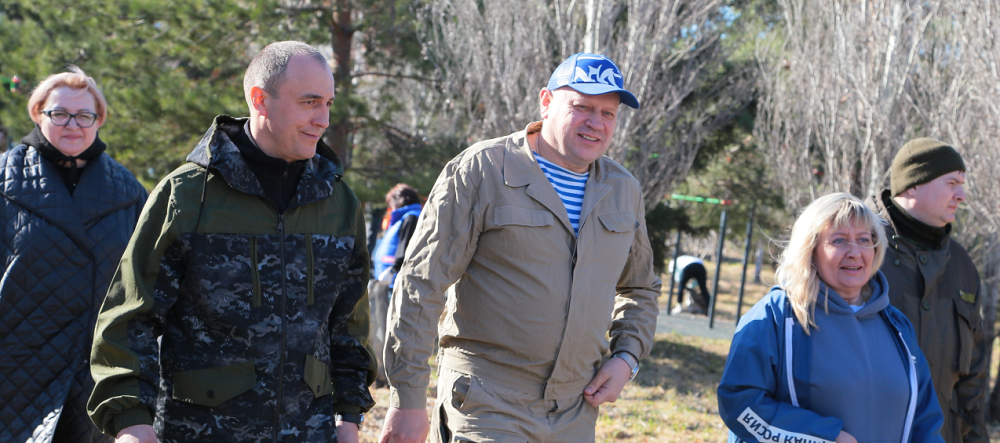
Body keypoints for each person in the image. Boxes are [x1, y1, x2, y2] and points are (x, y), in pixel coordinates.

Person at [87, 41, 376, 443]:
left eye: (327, 103)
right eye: (310, 102)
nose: (323, 119)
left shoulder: (337, 201)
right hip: (200, 432)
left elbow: (348, 324)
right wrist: (131, 423)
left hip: (310, 431)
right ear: (260, 99)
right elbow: (130, 316)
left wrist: (349, 416)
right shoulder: (188, 195)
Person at [379, 53, 662, 443]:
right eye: (581, 107)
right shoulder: (482, 170)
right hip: (485, 401)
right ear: (546, 102)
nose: (596, 123)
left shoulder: (623, 190)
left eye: (608, 113)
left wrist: (626, 358)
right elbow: (420, 284)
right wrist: (407, 398)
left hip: (575, 410)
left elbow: (640, 288)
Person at [718, 193, 944, 443]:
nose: (855, 252)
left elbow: (926, 421)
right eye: (839, 240)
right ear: (811, 249)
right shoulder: (777, 315)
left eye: (864, 239)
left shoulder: (897, 326)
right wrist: (825, 436)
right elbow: (740, 403)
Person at [0, 68, 147, 442]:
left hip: (96, 377)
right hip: (15, 372)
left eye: (85, 116)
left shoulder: (128, 191)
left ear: (99, 121)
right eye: (60, 113)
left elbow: (146, 286)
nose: (73, 125)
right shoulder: (3, 180)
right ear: (37, 113)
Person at [866, 138, 988, 443]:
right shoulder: (858, 251)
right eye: (951, 183)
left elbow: (971, 382)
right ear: (912, 186)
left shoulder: (961, 265)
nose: (961, 195)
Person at [369, 184, 422, 386]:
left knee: (391, 331)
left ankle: (391, 376)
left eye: (391, 203)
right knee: (380, 330)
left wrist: (392, 270)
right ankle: (381, 373)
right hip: (384, 284)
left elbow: (406, 249)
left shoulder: (411, 218)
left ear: (399, 200)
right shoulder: (404, 218)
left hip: (395, 285)